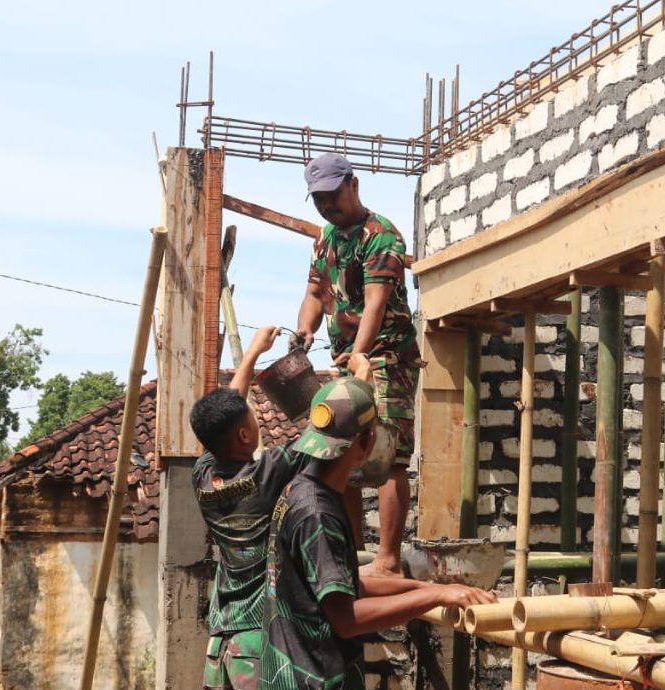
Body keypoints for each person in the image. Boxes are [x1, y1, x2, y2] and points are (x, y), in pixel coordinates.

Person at [260, 377, 496, 690]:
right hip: (312, 679)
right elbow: (346, 619)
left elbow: (342, 587)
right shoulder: (318, 513)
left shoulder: (300, 492)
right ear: (368, 440)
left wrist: (416, 587)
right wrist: (435, 595)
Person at [295, 152, 420, 578]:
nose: (327, 206)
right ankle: (351, 551)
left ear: (353, 184)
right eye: (318, 200)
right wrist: (305, 331)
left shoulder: (380, 236)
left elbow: (375, 302)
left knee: (387, 456)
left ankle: (387, 560)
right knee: (340, 454)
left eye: (332, 196)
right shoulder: (325, 239)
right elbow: (315, 292)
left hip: (387, 359)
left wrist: (361, 354)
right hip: (348, 362)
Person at [189, 325, 312, 690]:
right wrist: (358, 379)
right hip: (257, 646)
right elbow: (327, 430)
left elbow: (226, 414)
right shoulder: (269, 471)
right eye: (250, 420)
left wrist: (252, 355)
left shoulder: (203, 475)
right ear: (245, 435)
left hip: (222, 644)